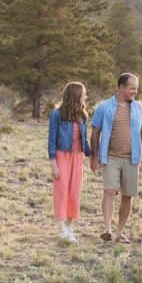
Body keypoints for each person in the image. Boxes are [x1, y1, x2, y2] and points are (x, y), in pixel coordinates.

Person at [90, 73, 142, 243]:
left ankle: (119, 231)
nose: (135, 91)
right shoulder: (104, 107)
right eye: (132, 88)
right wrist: (94, 155)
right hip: (110, 157)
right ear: (121, 87)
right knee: (109, 191)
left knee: (127, 195)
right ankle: (107, 228)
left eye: (136, 88)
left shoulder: (139, 108)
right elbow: (95, 132)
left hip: (132, 158)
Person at [47, 82, 92, 242]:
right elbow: (51, 140)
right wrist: (54, 164)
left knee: (74, 192)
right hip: (61, 156)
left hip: (77, 157)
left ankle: (69, 228)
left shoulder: (81, 115)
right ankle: (62, 230)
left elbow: (84, 139)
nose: (85, 97)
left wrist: (92, 154)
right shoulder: (57, 115)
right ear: (75, 96)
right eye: (83, 94)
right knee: (61, 191)